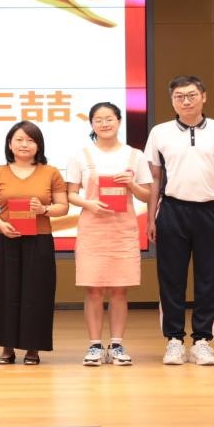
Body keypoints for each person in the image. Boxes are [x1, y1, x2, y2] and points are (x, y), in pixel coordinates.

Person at [144, 75, 214, 366]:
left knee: (210, 279)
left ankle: (202, 341)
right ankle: (174, 340)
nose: (185, 101)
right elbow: (154, 177)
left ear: (203, 97)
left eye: (191, 95)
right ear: (172, 100)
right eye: (179, 97)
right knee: (170, 278)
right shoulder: (160, 132)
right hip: (172, 210)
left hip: (212, 212)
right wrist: (151, 218)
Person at [66, 102, 152, 366]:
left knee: (119, 291)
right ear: (92, 124)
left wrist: (132, 184)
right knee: (93, 290)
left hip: (122, 231)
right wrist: (88, 204)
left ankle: (116, 345)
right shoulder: (80, 156)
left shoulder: (135, 155)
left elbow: (147, 195)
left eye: (109, 119)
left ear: (119, 121)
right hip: (93, 229)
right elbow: (71, 194)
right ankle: (94, 345)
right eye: (98, 120)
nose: (104, 124)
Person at [0, 121, 68, 365]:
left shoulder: (50, 172)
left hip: (39, 240)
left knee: (37, 293)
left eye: (30, 140)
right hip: (6, 238)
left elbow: (63, 207)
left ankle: (33, 348)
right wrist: (0, 225)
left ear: (38, 145)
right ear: (10, 144)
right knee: (5, 292)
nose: (24, 144)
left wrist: (44, 209)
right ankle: (7, 347)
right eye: (19, 139)